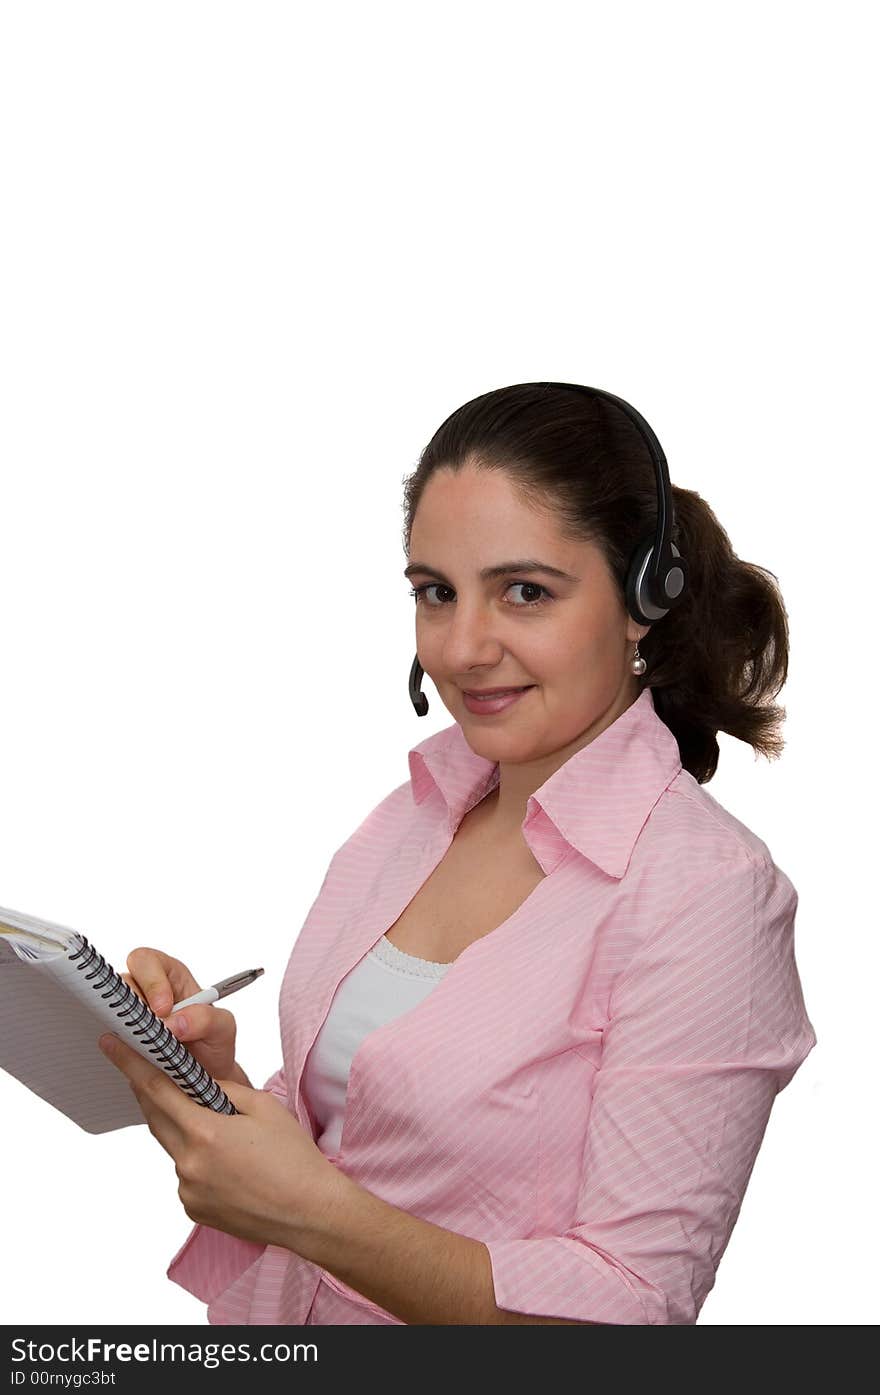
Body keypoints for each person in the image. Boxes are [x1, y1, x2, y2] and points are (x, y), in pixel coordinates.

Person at [102, 382, 817, 1324]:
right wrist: (222, 1089)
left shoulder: (706, 895)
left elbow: (635, 1309)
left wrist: (313, 1214)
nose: (464, 646)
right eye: (436, 593)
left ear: (643, 602)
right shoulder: (413, 813)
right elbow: (366, 1131)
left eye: (525, 591)